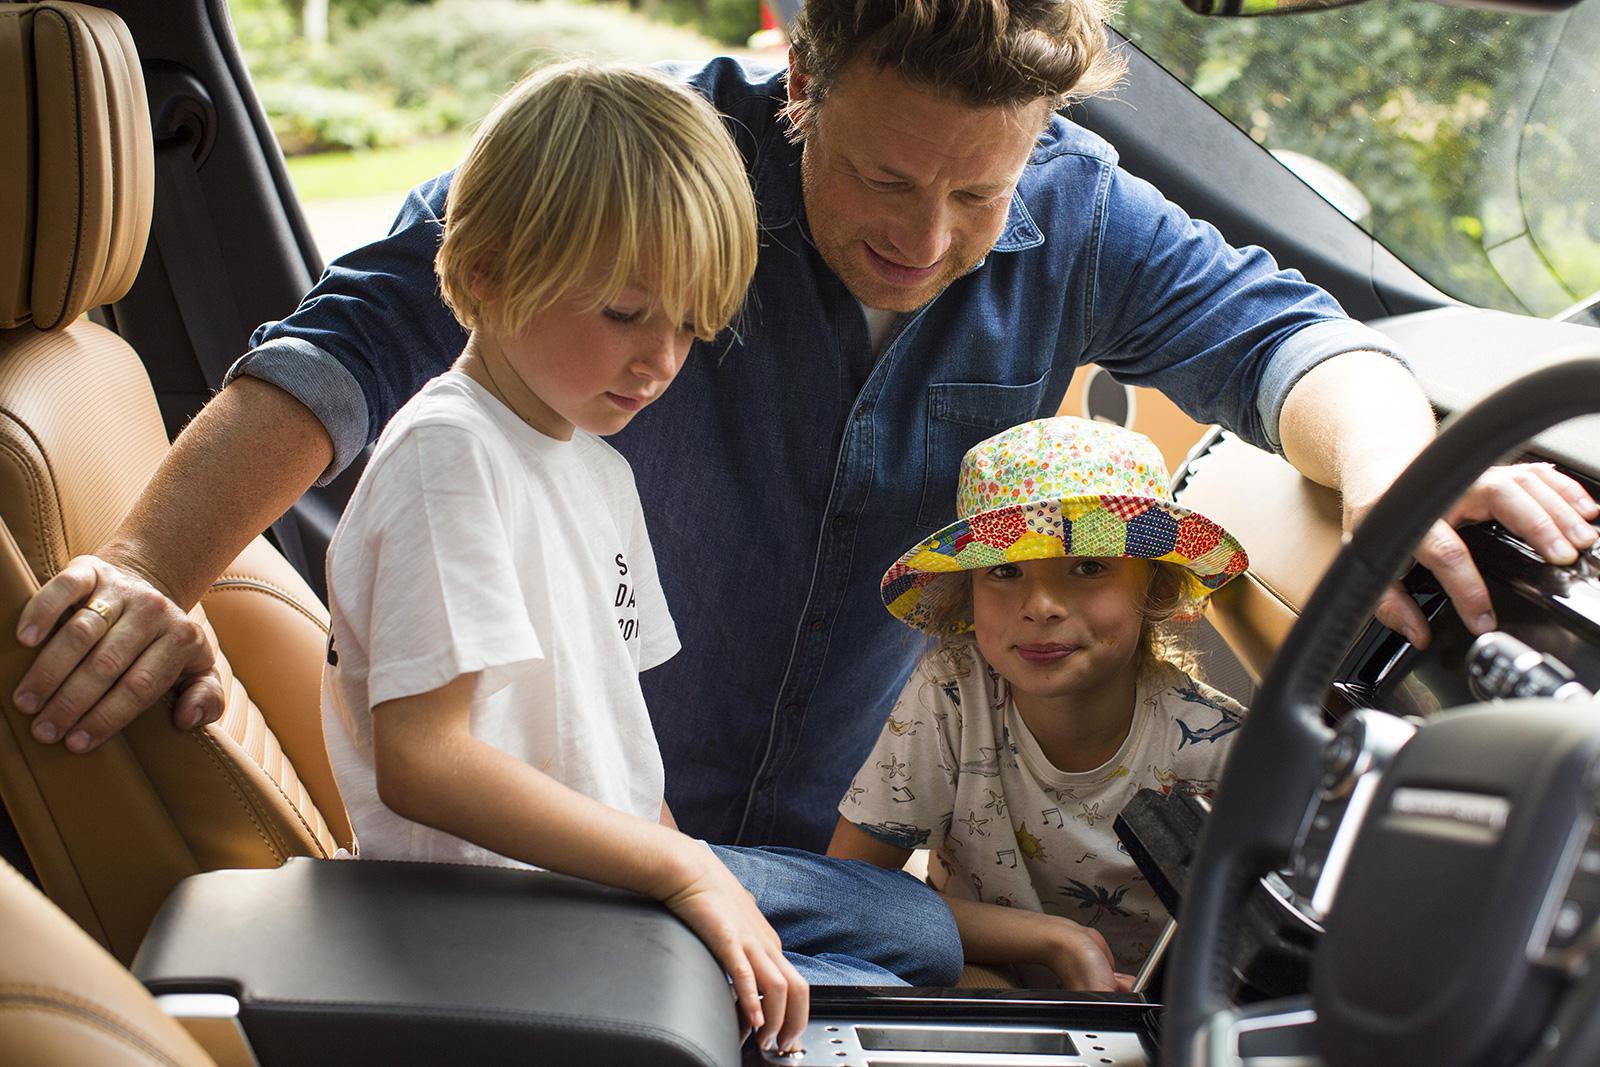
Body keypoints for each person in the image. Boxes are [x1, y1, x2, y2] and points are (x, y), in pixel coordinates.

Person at [12, 1, 1597, 853]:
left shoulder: (1082, 211)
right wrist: (151, 563)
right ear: (800, 84)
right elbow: (352, 337)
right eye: (886, 182)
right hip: (596, 829)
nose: (928, 236)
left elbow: (1294, 341)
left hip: (813, 843)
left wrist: (1400, 483)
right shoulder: (649, 170)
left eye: (980, 193)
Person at [317, 61, 961, 1053]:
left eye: (692, 327)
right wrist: (683, 876)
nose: (661, 360)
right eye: (626, 312)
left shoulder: (595, 465)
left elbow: (622, 739)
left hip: (607, 877)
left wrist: (677, 861)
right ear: (484, 270)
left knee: (917, 930)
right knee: (881, 983)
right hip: (501, 914)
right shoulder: (450, 456)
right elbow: (424, 760)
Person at [829, 416, 1248, 990]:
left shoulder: (1228, 754)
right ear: (968, 594)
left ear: (1156, 586)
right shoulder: (953, 690)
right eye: (1005, 570)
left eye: (1088, 567)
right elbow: (844, 893)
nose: (1042, 606)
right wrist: (1057, 943)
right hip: (979, 986)